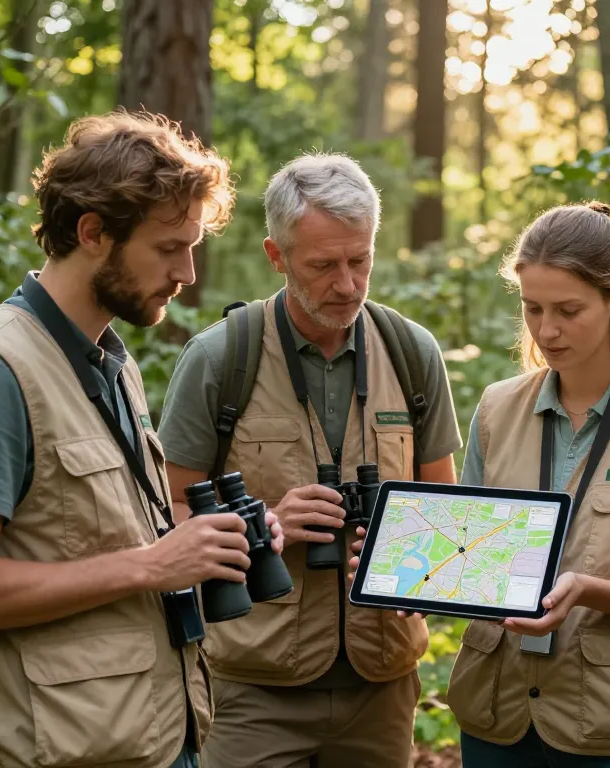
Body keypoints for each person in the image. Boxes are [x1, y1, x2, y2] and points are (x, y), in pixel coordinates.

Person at [0, 111, 255, 768]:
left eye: (194, 246)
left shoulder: (109, 364)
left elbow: (96, 538)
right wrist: (152, 566)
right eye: (168, 248)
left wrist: (206, 542)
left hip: (150, 739)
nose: (188, 274)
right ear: (92, 233)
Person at [157, 152, 463, 768]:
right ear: (277, 256)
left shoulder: (411, 353)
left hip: (382, 690)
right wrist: (267, 526)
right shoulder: (220, 360)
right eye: (324, 265)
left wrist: (409, 551)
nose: (347, 284)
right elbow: (164, 520)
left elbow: (447, 518)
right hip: (251, 693)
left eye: (361, 261)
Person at [443, 202, 610, 767]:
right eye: (533, 308)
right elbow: (470, 560)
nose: (547, 330)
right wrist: (416, 579)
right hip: (499, 721)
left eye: (569, 310)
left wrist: (586, 590)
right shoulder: (497, 410)